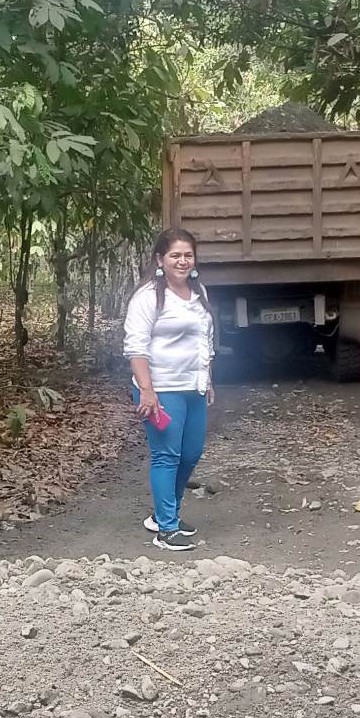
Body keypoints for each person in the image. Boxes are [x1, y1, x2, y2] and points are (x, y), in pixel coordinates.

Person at [124, 227, 214, 552]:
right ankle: (166, 529)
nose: (182, 261)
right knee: (166, 456)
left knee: (191, 454)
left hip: (193, 387)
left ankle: (166, 513)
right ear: (160, 259)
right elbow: (135, 347)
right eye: (175, 255)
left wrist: (208, 379)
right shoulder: (148, 296)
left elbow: (205, 340)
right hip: (161, 390)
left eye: (188, 255)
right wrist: (147, 390)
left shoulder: (199, 292)